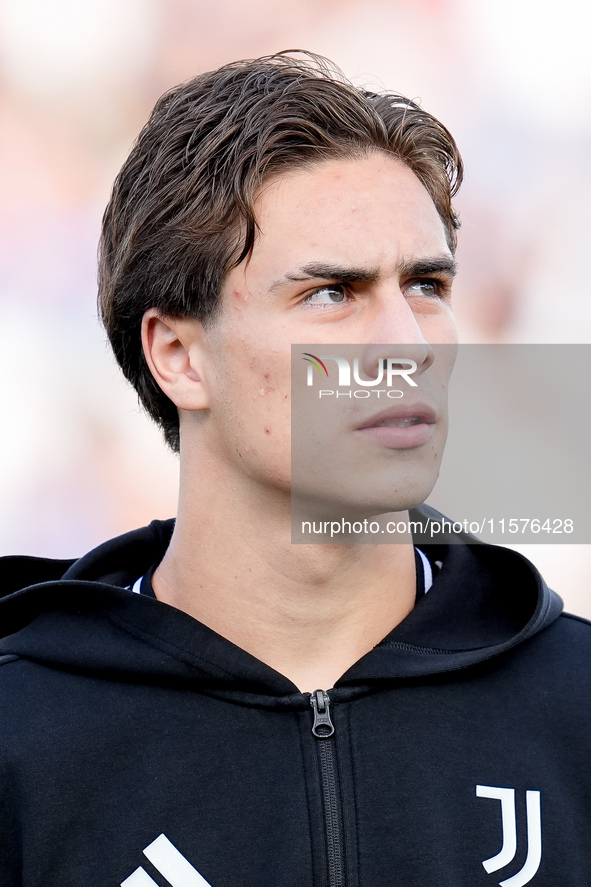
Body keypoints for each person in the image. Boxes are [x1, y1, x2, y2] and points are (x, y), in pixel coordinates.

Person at [1, 50, 590, 887]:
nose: (407, 343)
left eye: (426, 284)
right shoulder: (23, 743)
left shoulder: (575, 714)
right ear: (178, 355)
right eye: (332, 293)